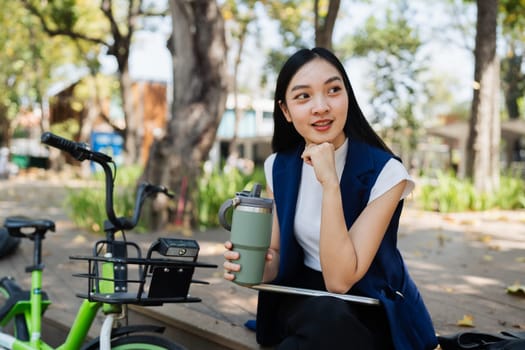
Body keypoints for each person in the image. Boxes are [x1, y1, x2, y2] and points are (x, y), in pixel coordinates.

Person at [223, 47, 438, 350]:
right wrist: (256, 265)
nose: (321, 106)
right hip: (302, 298)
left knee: (328, 316)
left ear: (347, 97)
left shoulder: (387, 172)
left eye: (333, 90)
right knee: (318, 316)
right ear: (285, 111)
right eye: (303, 96)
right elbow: (277, 254)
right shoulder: (279, 165)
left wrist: (329, 183)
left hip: (368, 308)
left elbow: (339, 280)